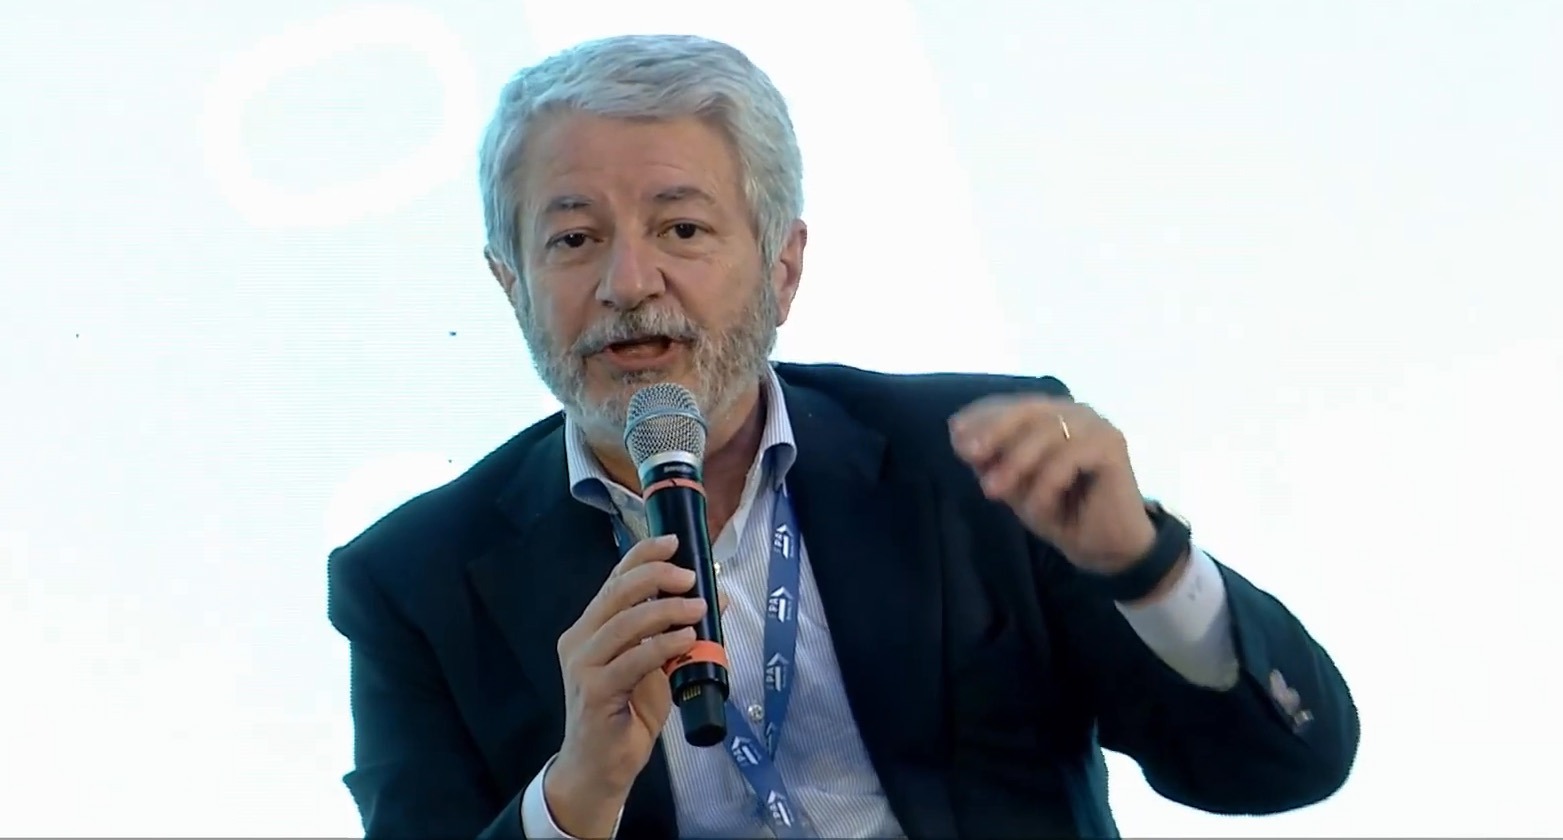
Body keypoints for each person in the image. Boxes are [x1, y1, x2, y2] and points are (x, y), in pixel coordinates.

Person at [326, 33, 1359, 840]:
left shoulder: (971, 464)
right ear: (510, 285)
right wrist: (574, 794)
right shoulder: (414, 581)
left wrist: (1144, 565)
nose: (628, 283)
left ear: (783, 267)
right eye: (573, 238)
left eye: (682, 229)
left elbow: (1278, 767)